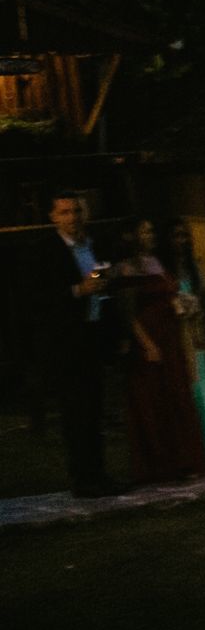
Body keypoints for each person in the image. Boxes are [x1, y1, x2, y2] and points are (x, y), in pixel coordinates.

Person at [27, 191, 117, 495]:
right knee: (75, 411)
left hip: (93, 334)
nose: (72, 218)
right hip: (66, 342)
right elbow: (35, 298)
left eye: (76, 211)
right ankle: (82, 477)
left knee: (95, 409)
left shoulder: (93, 245)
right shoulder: (44, 251)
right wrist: (77, 291)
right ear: (53, 217)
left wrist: (102, 285)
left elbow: (102, 280)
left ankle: (98, 473)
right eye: (65, 212)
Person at [114, 218, 205, 485]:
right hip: (149, 338)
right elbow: (127, 312)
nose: (151, 235)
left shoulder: (158, 261)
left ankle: (182, 460)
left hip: (171, 335)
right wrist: (147, 344)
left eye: (151, 230)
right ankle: (159, 464)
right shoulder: (126, 267)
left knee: (176, 396)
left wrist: (183, 307)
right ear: (132, 235)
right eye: (145, 231)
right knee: (153, 400)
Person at [163, 218, 205, 468]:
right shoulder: (165, 270)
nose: (182, 241)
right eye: (176, 236)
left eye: (184, 236)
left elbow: (203, 300)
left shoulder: (193, 267)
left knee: (202, 390)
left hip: (195, 333)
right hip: (177, 335)